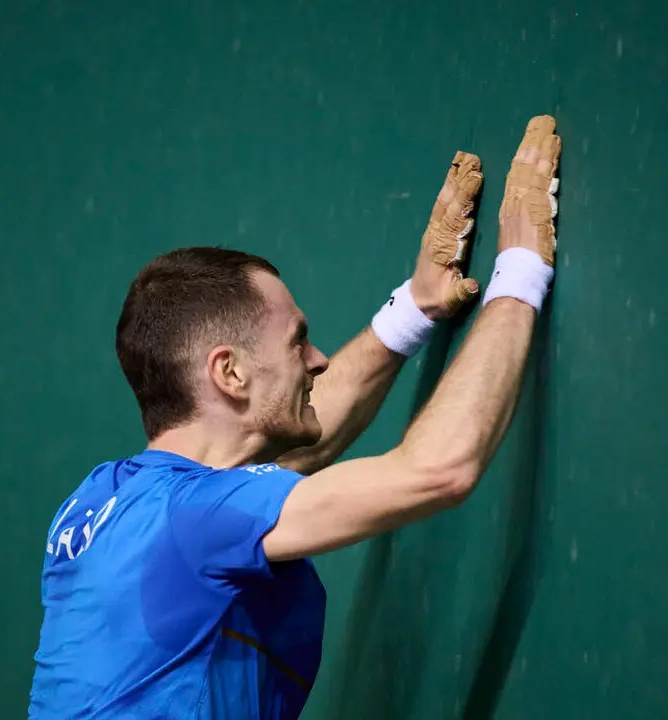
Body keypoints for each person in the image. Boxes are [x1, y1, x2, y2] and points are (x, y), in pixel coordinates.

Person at [28, 115, 563, 719]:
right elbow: (438, 471)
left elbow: (288, 454)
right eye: (296, 342)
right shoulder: (199, 516)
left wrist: (412, 310)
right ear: (229, 373)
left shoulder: (108, 496)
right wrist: (520, 270)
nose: (318, 359)